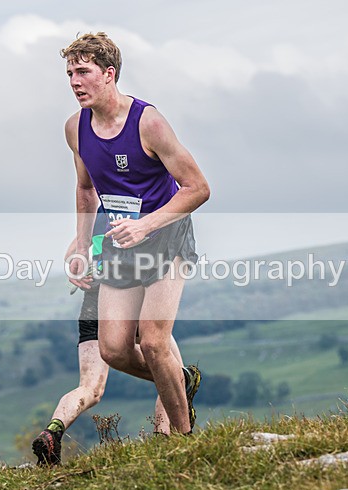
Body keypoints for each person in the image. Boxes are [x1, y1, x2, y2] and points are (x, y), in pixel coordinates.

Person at [62, 33, 210, 436]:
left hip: (166, 237)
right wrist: (81, 245)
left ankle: (181, 437)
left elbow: (198, 188)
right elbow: (85, 187)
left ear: (109, 74)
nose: (75, 82)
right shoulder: (75, 128)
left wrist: (146, 223)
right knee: (112, 349)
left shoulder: (148, 122)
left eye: (84, 72)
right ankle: (181, 382)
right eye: (70, 73)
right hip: (120, 245)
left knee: (155, 341)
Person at [31, 209, 201, 466]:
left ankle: (53, 430)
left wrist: (82, 271)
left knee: (89, 388)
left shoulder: (96, 221)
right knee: (171, 372)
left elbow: (72, 257)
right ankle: (163, 439)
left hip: (92, 306)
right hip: (128, 300)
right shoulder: (134, 215)